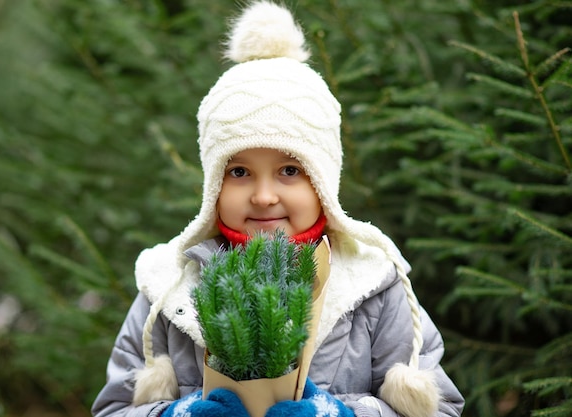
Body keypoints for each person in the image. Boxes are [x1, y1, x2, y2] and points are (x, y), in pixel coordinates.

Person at [91, 2, 464, 417]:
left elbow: (442, 409)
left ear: (323, 180)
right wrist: (177, 413)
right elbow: (114, 409)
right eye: (239, 172)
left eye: (289, 170)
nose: (264, 196)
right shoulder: (168, 285)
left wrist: (341, 414)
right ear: (213, 183)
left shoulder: (374, 285)